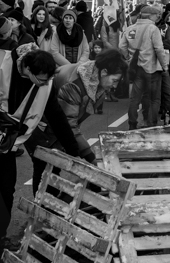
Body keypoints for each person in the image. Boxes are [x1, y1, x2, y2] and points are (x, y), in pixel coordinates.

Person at [0, 47, 95, 263]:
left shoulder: (46, 82)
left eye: (47, 80)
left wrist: (74, 152)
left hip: (5, 142)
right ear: (27, 69)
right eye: (40, 80)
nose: (43, 84)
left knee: (5, 191)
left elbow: (57, 117)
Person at [27, 49, 125, 192]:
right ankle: (41, 207)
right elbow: (67, 125)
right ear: (103, 72)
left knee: (53, 168)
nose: (115, 86)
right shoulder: (74, 85)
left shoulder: (95, 82)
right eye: (114, 80)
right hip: (40, 125)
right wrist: (90, 158)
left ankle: (46, 203)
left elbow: (72, 123)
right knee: (44, 167)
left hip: (56, 129)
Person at [120, 5, 169, 129]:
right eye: (157, 15)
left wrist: (128, 58)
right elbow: (159, 49)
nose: (158, 17)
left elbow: (122, 47)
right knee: (154, 98)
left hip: (136, 68)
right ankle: (151, 124)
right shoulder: (153, 29)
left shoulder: (130, 29)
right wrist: (165, 66)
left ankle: (132, 124)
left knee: (135, 98)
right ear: (150, 16)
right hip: (151, 68)